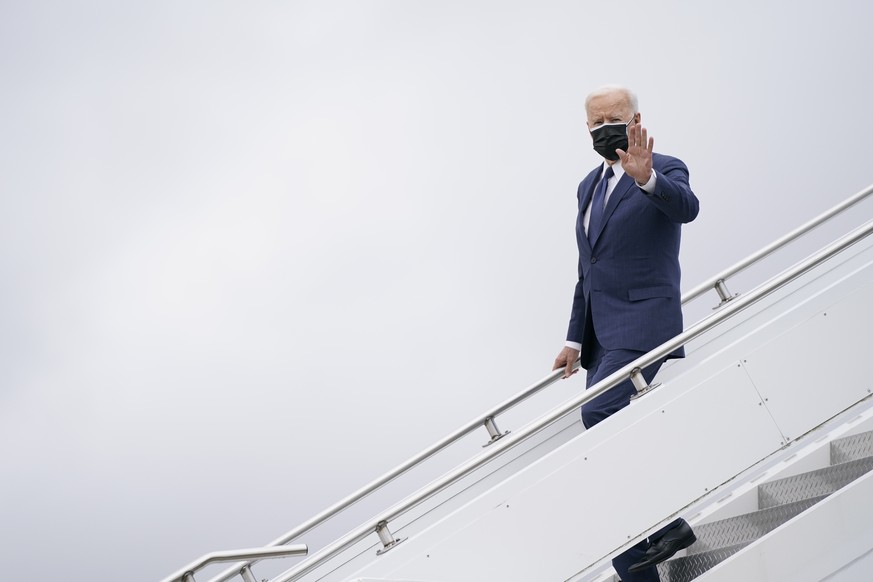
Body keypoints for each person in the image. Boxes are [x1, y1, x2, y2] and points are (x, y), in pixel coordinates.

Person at [551, 85, 699, 581]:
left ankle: (670, 524)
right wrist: (575, 339)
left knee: (598, 410)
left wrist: (648, 179)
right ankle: (640, 561)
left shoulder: (665, 165)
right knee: (604, 450)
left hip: (645, 320)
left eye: (613, 118)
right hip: (602, 335)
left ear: (636, 118)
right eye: (595, 123)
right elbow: (586, 268)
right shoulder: (586, 187)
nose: (603, 128)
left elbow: (686, 208)